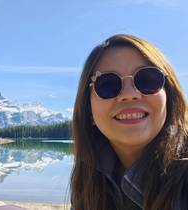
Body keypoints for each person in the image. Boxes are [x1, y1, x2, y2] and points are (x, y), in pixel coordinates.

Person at [70, 34, 188, 210]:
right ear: (89, 111)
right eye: (107, 84)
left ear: (170, 97)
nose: (129, 94)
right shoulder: (88, 180)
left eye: (147, 79)